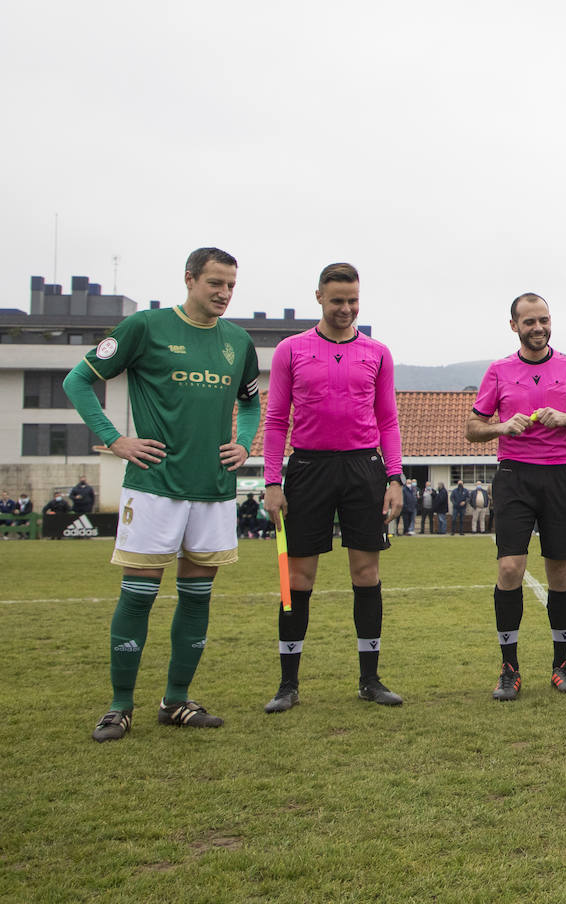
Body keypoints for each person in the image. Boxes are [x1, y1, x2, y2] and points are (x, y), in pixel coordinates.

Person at [62, 246, 261, 742]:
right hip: (154, 487)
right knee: (140, 593)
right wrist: (115, 439)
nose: (224, 293)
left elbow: (252, 404)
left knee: (197, 597)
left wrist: (242, 443)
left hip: (213, 490)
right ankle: (119, 705)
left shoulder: (238, 341)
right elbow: (78, 380)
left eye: (232, 285)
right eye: (215, 283)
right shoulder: (145, 328)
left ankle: (176, 701)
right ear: (190, 279)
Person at [260, 262, 406, 714]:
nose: (346, 308)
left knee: (366, 575)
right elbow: (276, 419)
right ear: (319, 297)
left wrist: (394, 477)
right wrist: (271, 480)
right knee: (296, 579)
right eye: (338, 300)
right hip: (307, 469)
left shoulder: (377, 352)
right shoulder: (290, 349)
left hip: (364, 469)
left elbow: (387, 420)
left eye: (353, 300)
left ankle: (370, 679)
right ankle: (288, 684)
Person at [467, 293, 566, 700]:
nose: (538, 328)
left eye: (543, 320)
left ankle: (561, 664)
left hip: (561, 477)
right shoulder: (499, 371)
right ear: (514, 326)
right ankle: (509, 668)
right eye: (529, 322)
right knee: (510, 569)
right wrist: (500, 428)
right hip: (514, 477)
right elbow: (472, 428)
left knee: (560, 574)